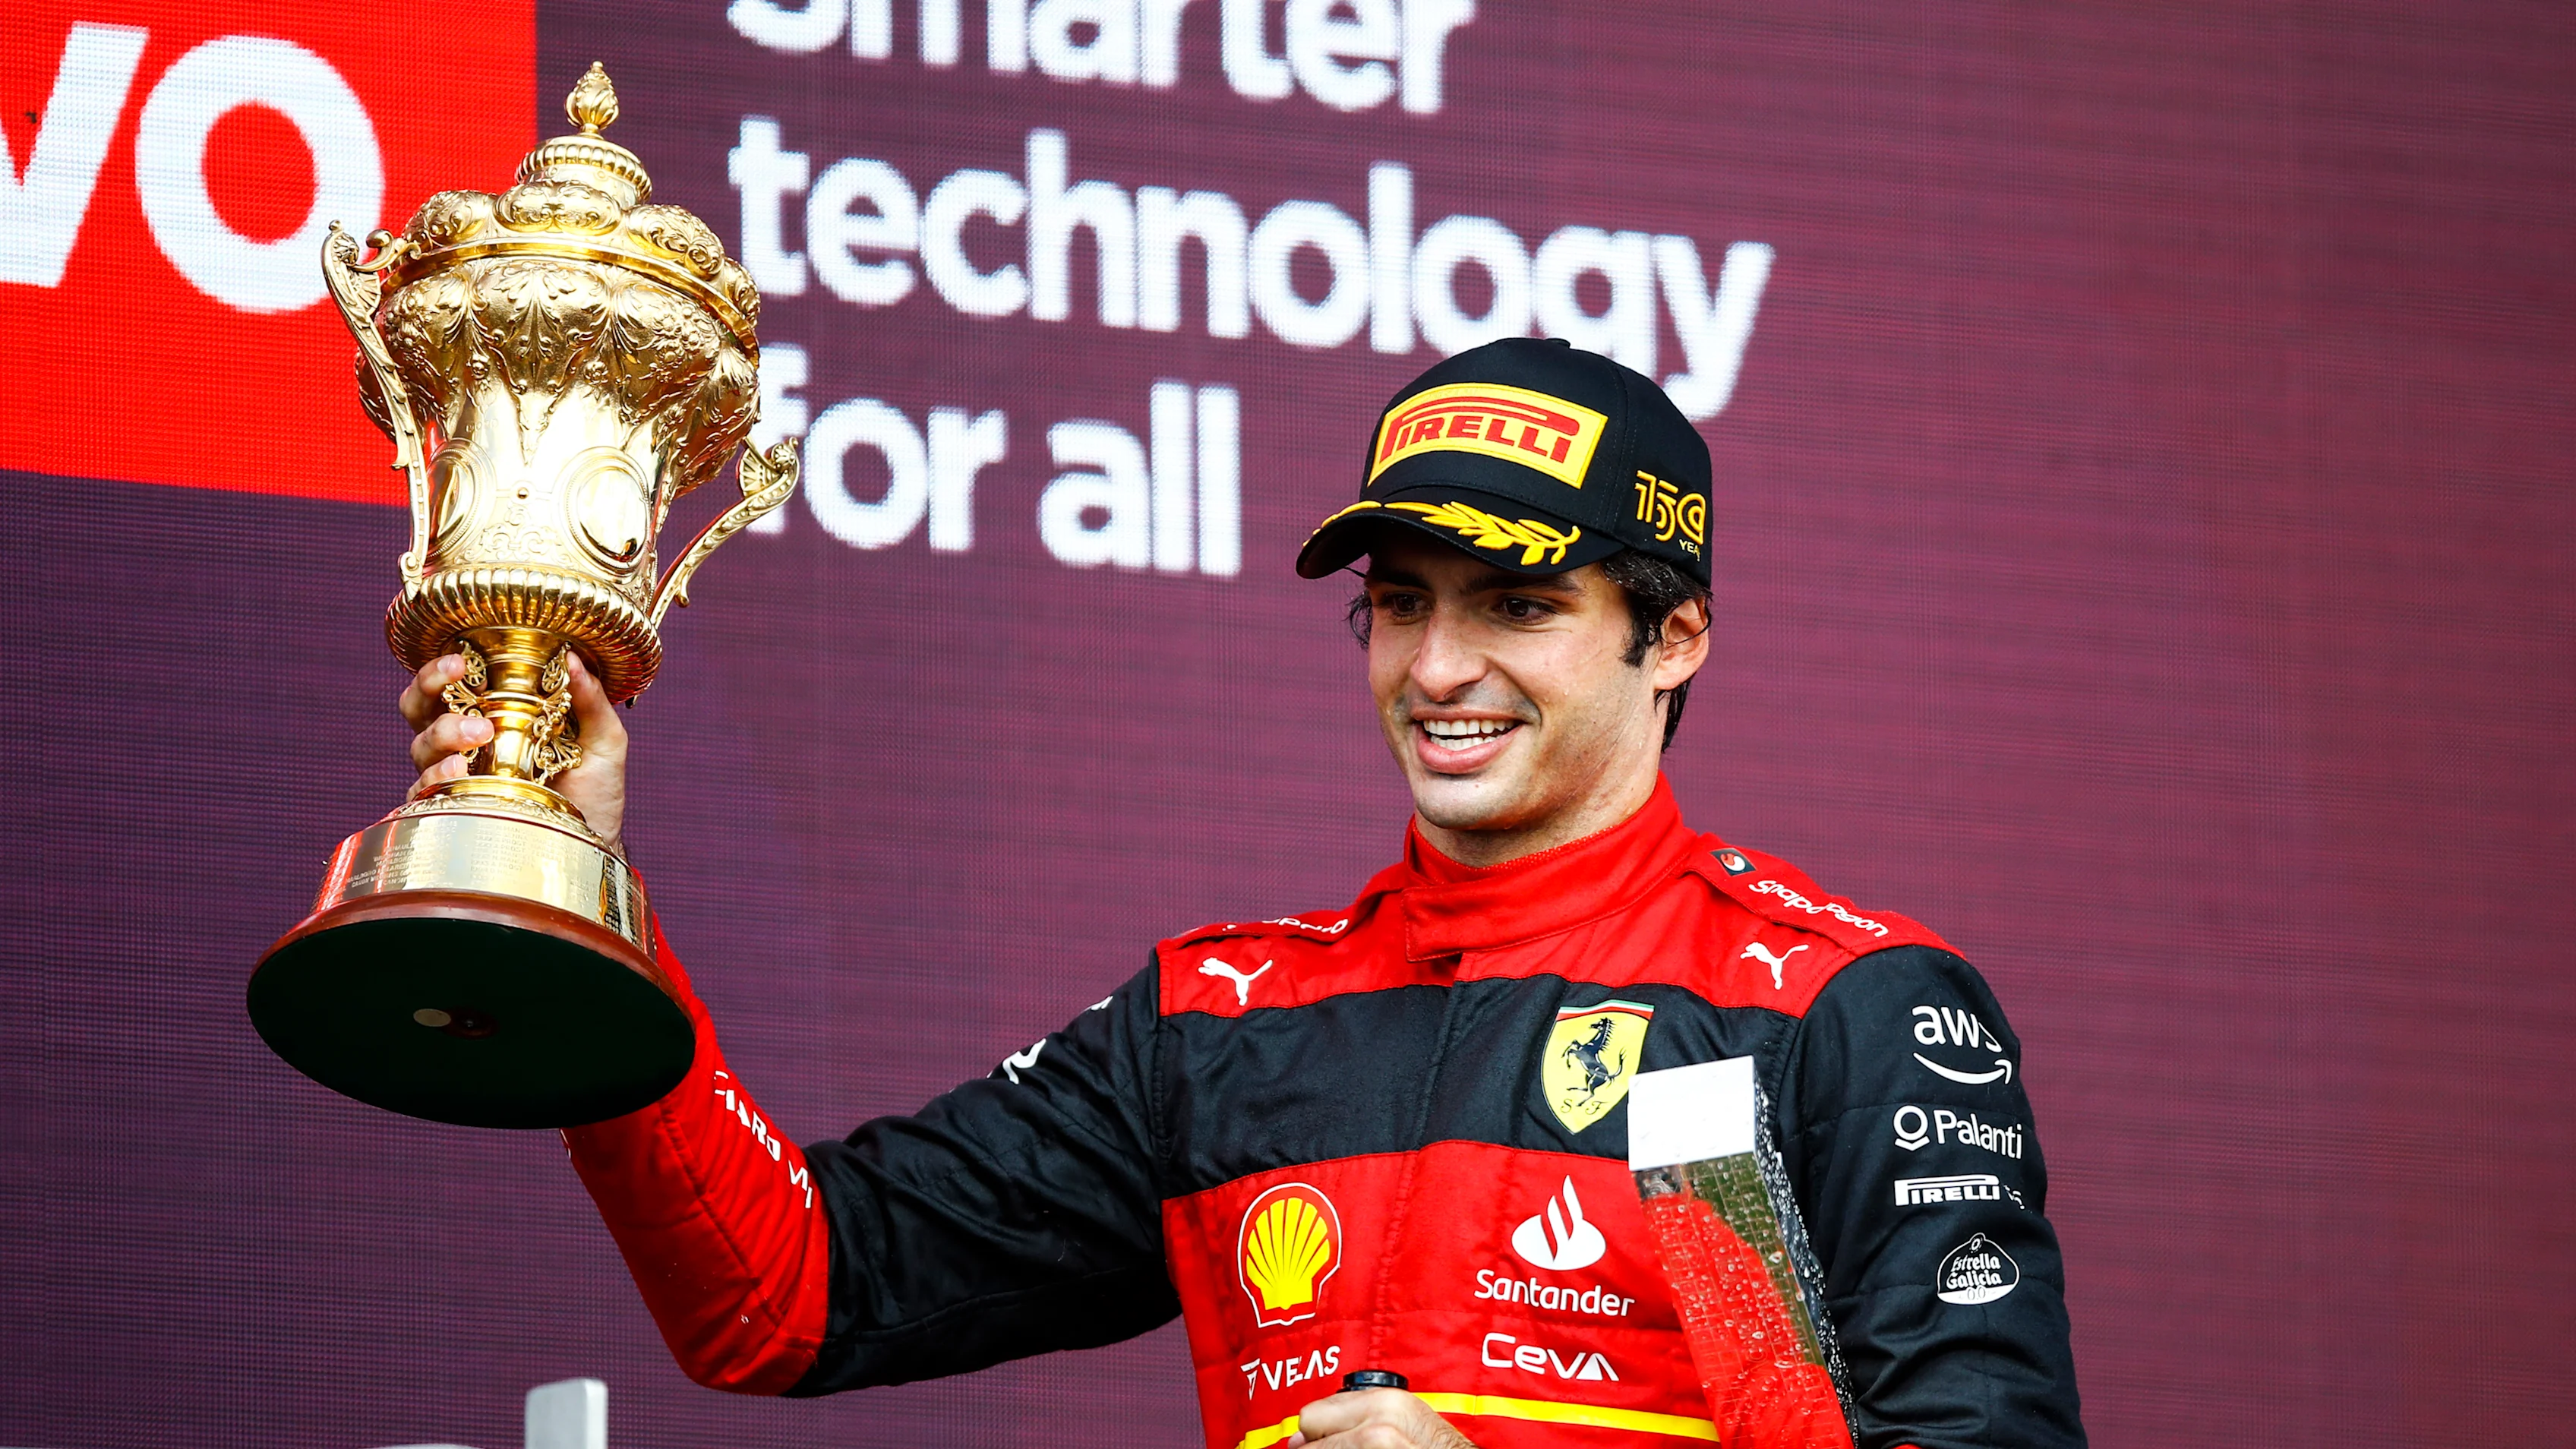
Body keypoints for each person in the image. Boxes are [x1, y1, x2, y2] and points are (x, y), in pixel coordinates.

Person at [402, 338, 2084, 1449]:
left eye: (1514, 607)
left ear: (1675, 636)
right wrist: (577, 895)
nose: (1437, 670)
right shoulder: (1223, 1023)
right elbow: (782, 1292)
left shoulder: (1821, 1009)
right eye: (1398, 603)